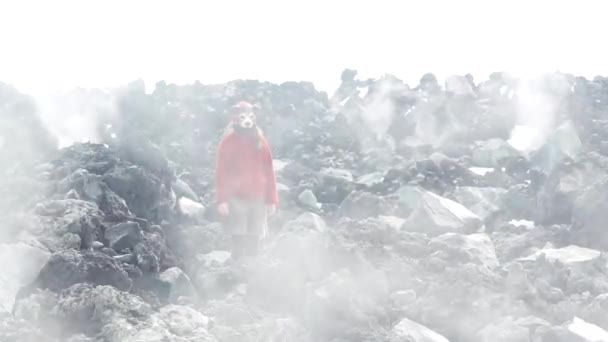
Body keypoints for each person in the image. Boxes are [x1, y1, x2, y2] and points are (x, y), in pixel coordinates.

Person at [214, 101, 279, 260]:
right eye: (243, 117)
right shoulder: (228, 142)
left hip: (258, 197)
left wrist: (271, 200)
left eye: (250, 116)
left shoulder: (261, 141)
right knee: (238, 235)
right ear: (235, 117)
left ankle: (252, 271)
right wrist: (222, 200)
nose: (247, 120)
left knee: (254, 235)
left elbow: (269, 171)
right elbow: (221, 172)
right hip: (236, 198)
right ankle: (236, 268)